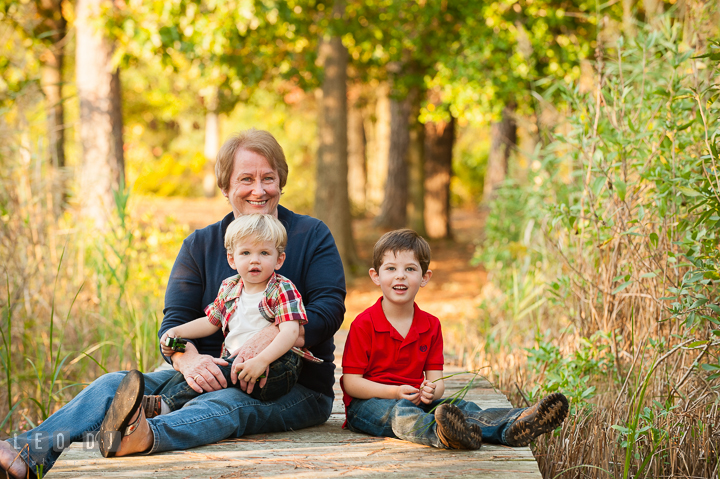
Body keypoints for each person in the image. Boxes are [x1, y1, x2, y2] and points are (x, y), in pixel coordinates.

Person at [0, 129, 346, 478]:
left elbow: (330, 309)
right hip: (207, 373)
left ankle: (146, 433)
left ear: (281, 183)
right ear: (225, 188)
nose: (259, 189)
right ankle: (26, 450)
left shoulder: (310, 234)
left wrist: (274, 335)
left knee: (228, 402)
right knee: (112, 385)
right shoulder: (201, 245)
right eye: (246, 179)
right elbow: (176, 321)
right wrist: (190, 360)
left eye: (268, 178)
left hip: (292, 386)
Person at [342, 229, 568, 450]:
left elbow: (437, 383)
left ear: (424, 277)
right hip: (368, 406)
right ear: (375, 276)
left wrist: (430, 392)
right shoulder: (364, 324)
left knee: (460, 406)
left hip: (416, 401)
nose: (400, 275)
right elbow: (352, 383)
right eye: (391, 268)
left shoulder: (430, 325)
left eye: (410, 269)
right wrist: (393, 393)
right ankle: (444, 435)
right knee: (401, 414)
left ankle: (514, 424)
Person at [146, 214, 309, 416]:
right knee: (200, 369)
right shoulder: (230, 287)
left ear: (279, 260)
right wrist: (176, 331)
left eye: (264, 253)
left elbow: (290, 332)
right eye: (246, 253)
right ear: (232, 259)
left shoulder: (282, 289)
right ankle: (149, 402)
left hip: (277, 366)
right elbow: (211, 322)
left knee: (219, 370)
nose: (255, 260)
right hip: (236, 362)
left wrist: (262, 360)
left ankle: (161, 408)